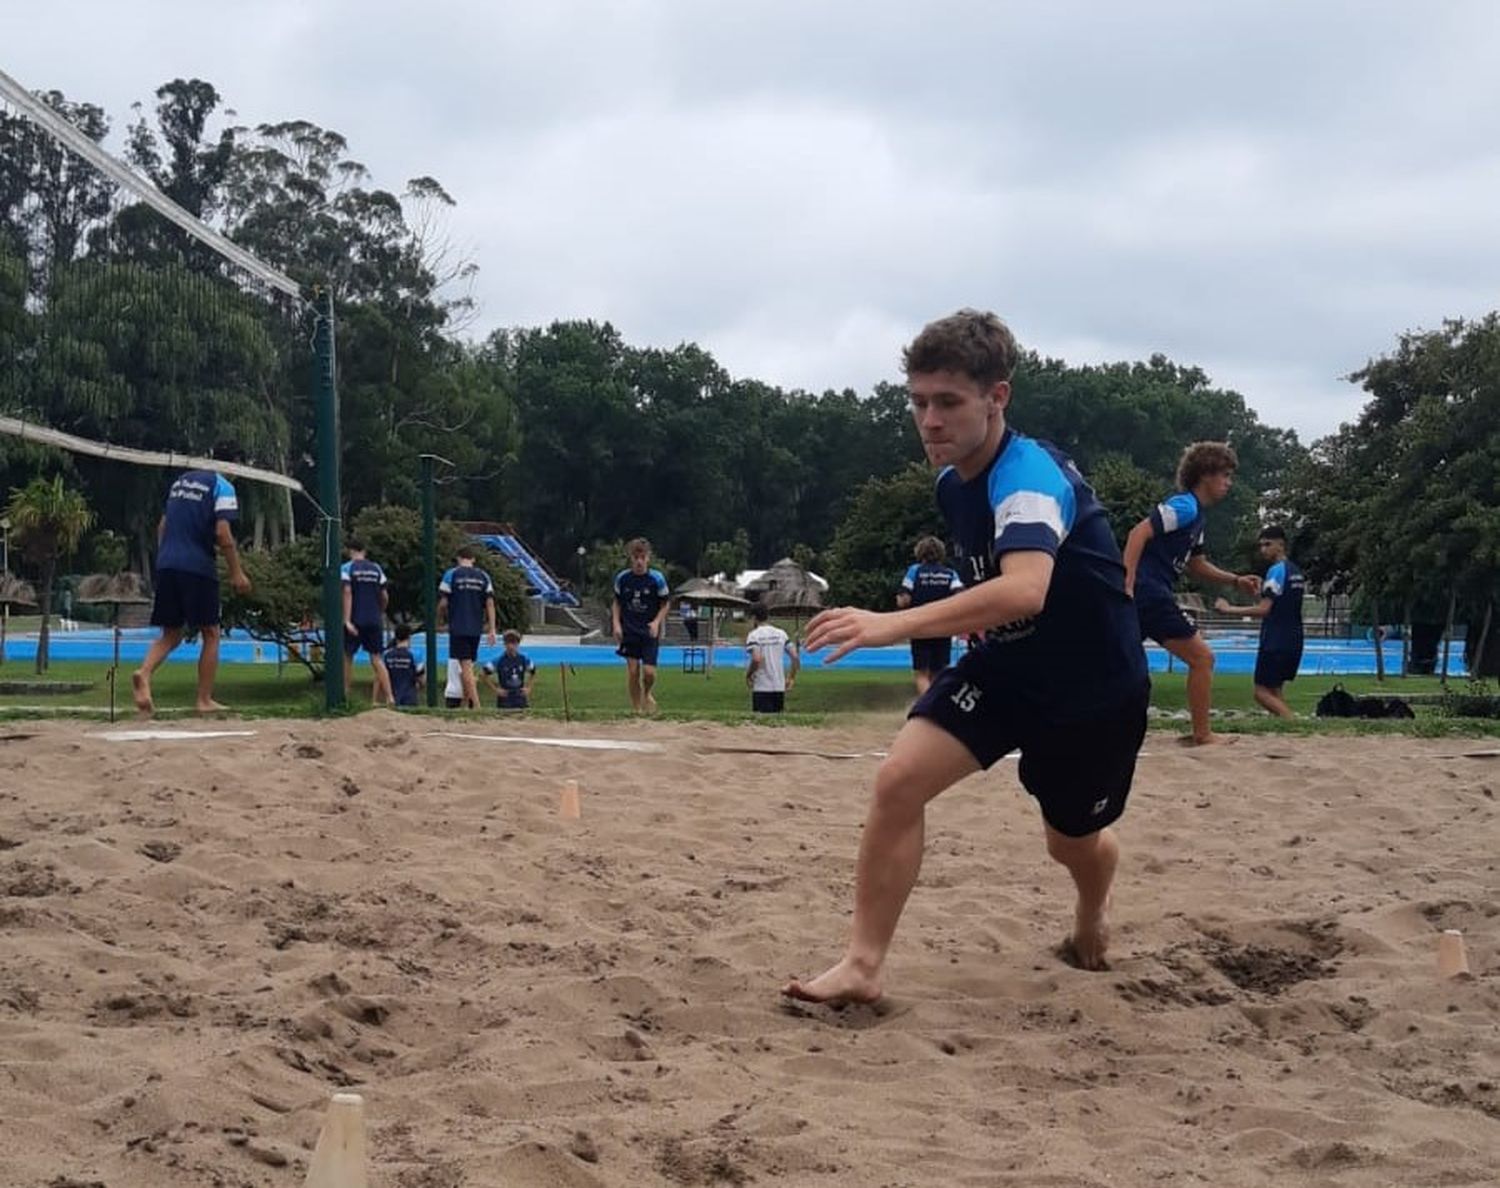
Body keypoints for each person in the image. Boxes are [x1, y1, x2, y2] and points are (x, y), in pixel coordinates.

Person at [782, 309, 1149, 1006]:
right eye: (918, 403)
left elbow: (1025, 590)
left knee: (1071, 841)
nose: (929, 420)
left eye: (948, 402)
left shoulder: (1030, 478)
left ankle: (1092, 909)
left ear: (997, 397)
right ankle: (861, 966)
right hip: (1009, 669)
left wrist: (890, 624)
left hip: (1092, 690)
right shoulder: (953, 484)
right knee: (898, 781)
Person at [1121, 442, 1260, 746]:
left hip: (1150, 594)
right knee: (1202, 658)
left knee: (1116, 666)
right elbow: (1138, 533)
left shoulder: (1197, 518)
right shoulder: (1185, 507)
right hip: (1149, 593)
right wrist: (1127, 583)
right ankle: (1202, 734)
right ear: (1206, 475)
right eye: (1224, 475)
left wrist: (1235, 580)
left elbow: (1197, 565)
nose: (1229, 482)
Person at [131, 468, 252, 717]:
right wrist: (236, 572)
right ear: (236, 466)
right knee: (211, 633)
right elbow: (223, 533)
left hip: (167, 564)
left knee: (171, 634)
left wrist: (165, 557)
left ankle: (144, 672)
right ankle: (204, 700)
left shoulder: (180, 483)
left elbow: (162, 526)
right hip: (197, 566)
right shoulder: (223, 485)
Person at [1216, 525, 1305, 719]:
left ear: (1281, 545)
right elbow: (1279, 604)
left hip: (1275, 640)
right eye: (1261, 546)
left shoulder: (1276, 571)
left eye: (1268, 544)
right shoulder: (1295, 571)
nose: (1263, 549)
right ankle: (1286, 725)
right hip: (1294, 638)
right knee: (1275, 691)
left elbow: (1264, 610)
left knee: (1261, 692)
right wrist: (1259, 593)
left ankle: (1291, 722)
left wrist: (1229, 609)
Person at [896, 535, 965, 694]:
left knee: (922, 673)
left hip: (920, 627)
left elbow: (903, 600)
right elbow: (961, 598)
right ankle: (937, 708)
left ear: (920, 553)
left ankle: (926, 709)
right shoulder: (950, 574)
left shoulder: (914, 571)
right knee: (939, 672)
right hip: (943, 628)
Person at [612, 538, 670, 713]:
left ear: (648, 558)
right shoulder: (622, 578)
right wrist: (616, 624)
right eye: (636, 557)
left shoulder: (656, 579)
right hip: (629, 629)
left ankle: (647, 693)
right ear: (631, 558)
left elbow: (665, 603)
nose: (639, 561)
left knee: (649, 672)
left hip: (649, 631)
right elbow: (616, 602)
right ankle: (637, 709)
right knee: (633, 672)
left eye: (642, 557)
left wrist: (656, 622)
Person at [438, 546, 497, 709]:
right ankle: (465, 701)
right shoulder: (484, 576)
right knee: (468, 665)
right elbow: (490, 603)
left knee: (465, 666)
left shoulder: (451, 575)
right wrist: (492, 629)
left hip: (458, 626)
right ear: (473, 559)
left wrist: (440, 621)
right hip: (475, 627)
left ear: (458, 558)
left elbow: (443, 603)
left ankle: (476, 705)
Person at [341, 538, 393, 705]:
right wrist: (381, 610)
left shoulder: (347, 568)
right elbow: (384, 595)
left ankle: (345, 694)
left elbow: (347, 592)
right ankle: (390, 697)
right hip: (373, 617)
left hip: (355, 617)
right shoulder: (376, 569)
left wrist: (347, 620)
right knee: (377, 658)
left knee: (347, 657)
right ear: (365, 551)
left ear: (350, 551)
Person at [745, 603, 800, 712]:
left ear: (754, 618)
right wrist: (791, 677)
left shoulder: (754, 635)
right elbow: (795, 657)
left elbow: (756, 659)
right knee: (776, 722)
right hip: (779, 685)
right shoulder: (781, 634)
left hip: (762, 686)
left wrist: (749, 674)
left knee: (761, 723)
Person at [483, 629, 537, 710]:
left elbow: (533, 672)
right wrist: (496, 690)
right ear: (504, 644)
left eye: (513, 643)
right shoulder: (498, 660)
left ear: (518, 644)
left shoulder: (524, 659)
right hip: (505, 699)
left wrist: (529, 688)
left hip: (520, 698)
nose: (511, 646)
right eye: (508, 642)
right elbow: (483, 674)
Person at [381, 624, 425, 708]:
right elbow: (422, 679)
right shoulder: (416, 655)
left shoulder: (386, 655)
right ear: (409, 637)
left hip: (392, 697)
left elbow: (381, 677)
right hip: (410, 698)